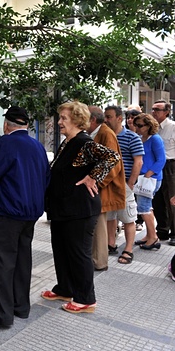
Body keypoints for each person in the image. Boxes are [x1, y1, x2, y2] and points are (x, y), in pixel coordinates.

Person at [0, 106, 50, 330]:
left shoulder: (5, 144)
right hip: (30, 213)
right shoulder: (38, 146)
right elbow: (46, 179)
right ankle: (20, 306)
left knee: (2, 263)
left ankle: (2, 315)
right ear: (25, 124)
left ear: (7, 125)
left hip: (7, 212)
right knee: (22, 260)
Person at [42, 101, 119, 314]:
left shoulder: (84, 142)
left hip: (79, 209)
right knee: (61, 251)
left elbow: (112, 157)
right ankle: (65, 288)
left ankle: (86, 299)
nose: (59, 122)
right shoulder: (68, 142)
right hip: (63, 208)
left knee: (78, 253)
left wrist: (93, 177)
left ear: (77, 120)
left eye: (64, 118)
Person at [103, 106, 144, 264]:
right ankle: (110, 244)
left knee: (128, 217)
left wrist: (130, 183)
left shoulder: (131, 137)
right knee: (110, 216)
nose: (106, 120)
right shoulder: (106, 136)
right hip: (108, 184)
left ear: (119, 118)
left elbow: (138, 161)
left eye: (109, 117)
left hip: (124, 184)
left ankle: (128, 249)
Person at [86, 106, 125, 271]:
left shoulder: (105, 133)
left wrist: (95, 181)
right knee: (96, 224)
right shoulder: (98, 133)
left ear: (92, 120)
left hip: (101, 188)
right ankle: (97, 260)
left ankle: (99, 261)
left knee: (99, 225)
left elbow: (113, 165)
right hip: (98, 187)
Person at [134, 113, 166, 251]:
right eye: (136, 125)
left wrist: (149, 174)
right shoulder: (141, 138)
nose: (137, 128)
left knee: (144, 207)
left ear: (148, 125)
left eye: (140, 126)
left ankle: (153, 237)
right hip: (143, 178)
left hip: (150, 178)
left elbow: (161, 159)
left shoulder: (155, 139)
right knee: (147, 207)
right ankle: (150, 235)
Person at [150, 100, 175, 245]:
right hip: (155, 166)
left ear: (166, 112)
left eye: (157, 109)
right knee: (157, 199)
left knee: (171, 199)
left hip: (170, 165)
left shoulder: (172, 127)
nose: (153, 112)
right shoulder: (152, 128)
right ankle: (162, 230)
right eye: (152, 109)